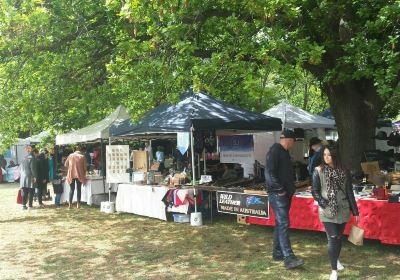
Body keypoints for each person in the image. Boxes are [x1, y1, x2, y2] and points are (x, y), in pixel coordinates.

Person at [311, 145, 359, 280]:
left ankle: (336, 260)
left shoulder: (344, 171)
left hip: (342, 208)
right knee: (332, 238)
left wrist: (355, 210)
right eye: (324, 155)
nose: (326, 157)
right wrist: (323, 203)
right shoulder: (318, 170)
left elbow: (349, 191)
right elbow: (315, 191)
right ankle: (333, 271)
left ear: (334, 156)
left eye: (329, 155)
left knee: (338, 237)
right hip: (327, 210)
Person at [265, 129, 304, 269]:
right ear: (289, 139)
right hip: (278, 194)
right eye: (293, 141)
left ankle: (277, 253)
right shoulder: (275, 151)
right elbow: (269, 173)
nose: (293, 144)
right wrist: (279, 189)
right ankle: (288, 257)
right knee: (283, 223)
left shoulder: (283, 152)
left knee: (280, 224)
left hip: (284, 194)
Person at [19, 145, 37, 210]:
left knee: (24, 191)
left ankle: (23, 206)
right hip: (30, 176)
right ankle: (30, 206)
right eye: (30, 148)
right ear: (30, 149)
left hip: (23, 176)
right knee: (31, 191)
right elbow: (33, 168)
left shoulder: (23, 157)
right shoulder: (32, 157)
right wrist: (35, 176)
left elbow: (20, 168)